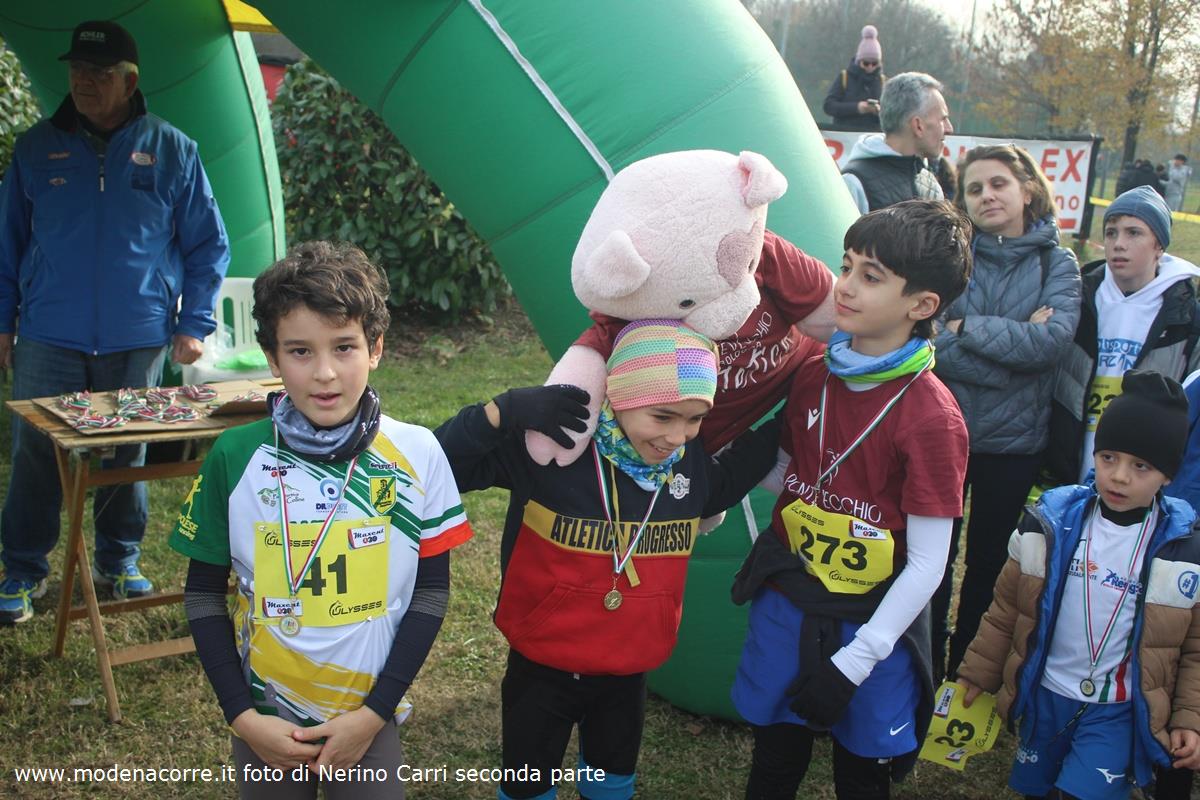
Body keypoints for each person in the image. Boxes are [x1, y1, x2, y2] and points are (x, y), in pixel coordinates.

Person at [169, 242, 472, 797]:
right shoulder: (235, 456)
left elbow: (432, 592)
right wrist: (242, 717)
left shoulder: (418, 452)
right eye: (300, 351)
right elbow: (203, 595)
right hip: (266, 718)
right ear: (272, 358)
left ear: (375, 348)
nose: (325, 373)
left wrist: (374, 714)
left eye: (344, 347)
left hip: (366, 717)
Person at [435, 320, 781, 800]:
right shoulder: (553, 451)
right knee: (528, 785)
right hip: (542, 668)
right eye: (663, 416)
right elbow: (436, 464)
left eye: (695, 419)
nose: (677, 437)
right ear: (618, 397)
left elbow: (747, 463)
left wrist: (810, 389)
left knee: (609, 785)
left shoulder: (689, 465)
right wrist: (500, 412)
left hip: (627, 672)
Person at [730, 199, 972, 800]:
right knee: (774, 760)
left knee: (862, 777)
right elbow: (794, 475)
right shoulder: (814, 373)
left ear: (921, 305)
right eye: (846, 266)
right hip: (790, 597)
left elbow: (928, 563)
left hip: (872, 621)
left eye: (871, 276)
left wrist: (855, 662)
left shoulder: (933, 417)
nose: (845, 286)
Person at [0, 20, 230, 623]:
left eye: (99, 73)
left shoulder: (174, 149)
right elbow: (6, 245)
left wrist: (194, 323)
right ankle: (22, 570)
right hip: (47, 333)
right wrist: (3, 324)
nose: (84, 81)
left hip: (139, 334)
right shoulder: (35, 148)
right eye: (77, 69)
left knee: (127, 453)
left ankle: (117, 561)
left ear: (129, 81)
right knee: (36, 451)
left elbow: (208, 244)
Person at [957, 370, 1200, 800]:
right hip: (1047, 694)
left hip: (1117, 709)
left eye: (1140, 466)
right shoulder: (1046, 525)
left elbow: (1195, 648)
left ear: (1167, 474)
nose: (1119, 476)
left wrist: (1189, 717)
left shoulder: (1182, 551)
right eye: (1108, 458)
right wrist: (979, 672)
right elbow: (1006, 609)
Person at [929, 144, 1082, 680]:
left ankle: (966, 675)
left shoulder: (1057, 264)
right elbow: (928, 339)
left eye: (998, 184)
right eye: (974, 189)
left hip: (1014, 447)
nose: (986, 196)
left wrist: (966, 328)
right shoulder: (950, 258)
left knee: (990, 566)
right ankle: (924, 667)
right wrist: (1013, 359)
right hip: (946, 436)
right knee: (931, 561)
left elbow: (1051, 344)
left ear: (1028, 189)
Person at [1046, 185, 1200, 488]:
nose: (1118, 244)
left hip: (1143, 481)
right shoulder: (1076, 300)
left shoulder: (1187, 318)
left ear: (1159, 245)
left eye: (1133, 233)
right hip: (1069, 467)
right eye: (1111, 233)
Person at [841, 72, 953, 214]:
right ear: (918, 126)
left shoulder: (931, 185)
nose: (949, 129)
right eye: (943, 119)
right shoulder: (854, 183)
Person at [823, 25, 885, 131]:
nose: (870, 67)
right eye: (866, 63)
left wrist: (879, 111)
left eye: (874, 63)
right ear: (858, 61)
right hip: (845, 135)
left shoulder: (883, 82)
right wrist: (857, 108)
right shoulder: (844, 77)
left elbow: (893, 115)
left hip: (873, 135)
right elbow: (828, 106)